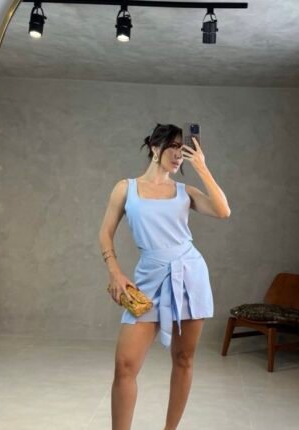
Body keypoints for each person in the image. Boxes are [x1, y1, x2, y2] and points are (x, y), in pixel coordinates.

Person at [98, 123, 231, 430]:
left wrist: (201, 167)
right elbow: (105, 233)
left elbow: (223, 211)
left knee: (183, 360)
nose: (179, 155)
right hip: (148, 278)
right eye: (173, 147)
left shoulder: (185, 192)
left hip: (189, 276)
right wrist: (115, 272)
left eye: (183, 149)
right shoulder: (125, 188)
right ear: (155, 147)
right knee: (125, 366)